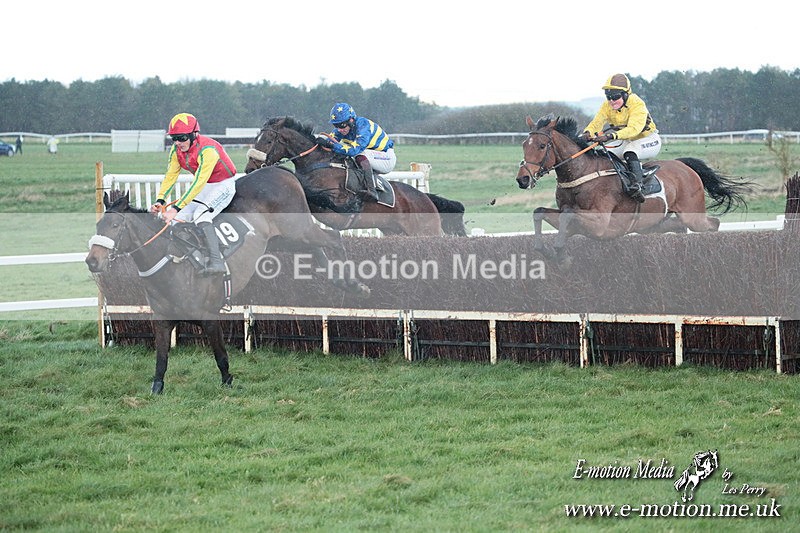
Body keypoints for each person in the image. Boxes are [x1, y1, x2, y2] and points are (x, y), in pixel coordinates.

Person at [148, 113, 238, 275]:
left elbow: (198, 182)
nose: (177, 143)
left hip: (223, 184)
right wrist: (160, 200)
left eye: (181, 138)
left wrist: (175, 207)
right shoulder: (176, 151)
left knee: (200, 215)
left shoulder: (208, 150)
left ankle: (217, 262)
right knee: (177, 219)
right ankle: (190, 255)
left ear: (194, 135)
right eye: (173, 138)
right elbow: (171, 176)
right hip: (206, 186)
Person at [581, 73, 661, 203]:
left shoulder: (637, 104)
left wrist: (610, 136)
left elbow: (634, 129)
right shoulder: (607, 106)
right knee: (602, 154)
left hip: (649, 139)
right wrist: (587, 133)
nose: (612, 101)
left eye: (615, 97)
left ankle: (638, 186)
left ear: (625, 95)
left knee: (630, 151)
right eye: (608, 97)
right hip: (627, 140)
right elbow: (597, 122)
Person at [314, 103, 396, 202]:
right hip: (372, 157)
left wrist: (332, 145)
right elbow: (330, 141)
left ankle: (372, 191)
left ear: (351, 120)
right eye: (336, 125)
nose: (340, 129)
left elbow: (354, 150)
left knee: (358, 154)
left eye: (342, 125)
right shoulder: (341, 130)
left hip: (386, 158)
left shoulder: (363, 125)